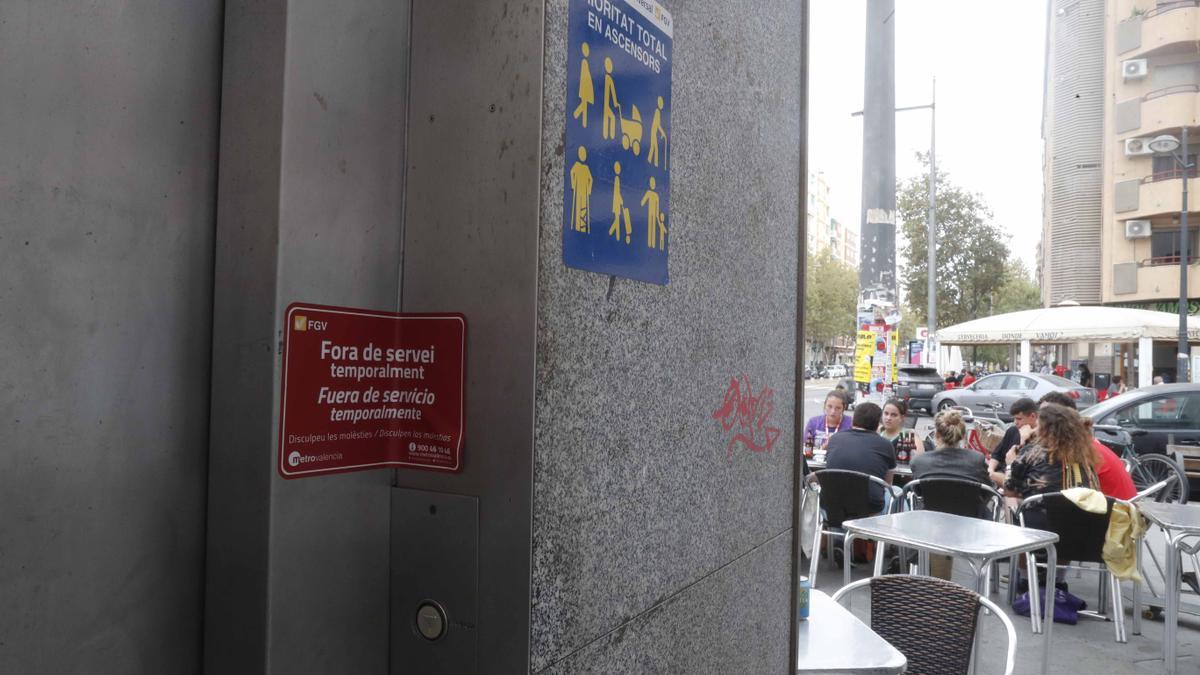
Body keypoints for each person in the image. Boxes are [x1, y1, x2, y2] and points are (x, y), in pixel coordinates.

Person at [910, 409, 989, 580]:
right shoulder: (976, 459)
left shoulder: (920, 461)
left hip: (930, 527)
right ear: (962, 435)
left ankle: (932, 582)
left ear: (936, 434)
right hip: (971, 526)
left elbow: (917, 493)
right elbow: (987, 491)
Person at [1038, 391, 1136, 500]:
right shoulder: (1084, 444)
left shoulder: (1074, 451)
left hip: (1114, 513)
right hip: (1118, 507)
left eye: (1043, 418)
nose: (1037, 423)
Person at [824, 402, 898, 514]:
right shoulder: (885, 445)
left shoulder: (835, 439)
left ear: (854, 419)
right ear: (878, 424)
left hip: (831, 504)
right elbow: (888, 483)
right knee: (897, 491)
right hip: (869, 507)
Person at [988, 398, 1039, 488]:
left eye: (1019, 419)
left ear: (1033, 416)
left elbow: (1024, 469)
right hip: (1003, 473)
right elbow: (997, 454)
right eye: (1014, 418)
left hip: (1018, 480)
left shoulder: (1040, 437)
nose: (1015, 422)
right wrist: (990, 469)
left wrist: (1023, 440)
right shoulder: (1012, 431)